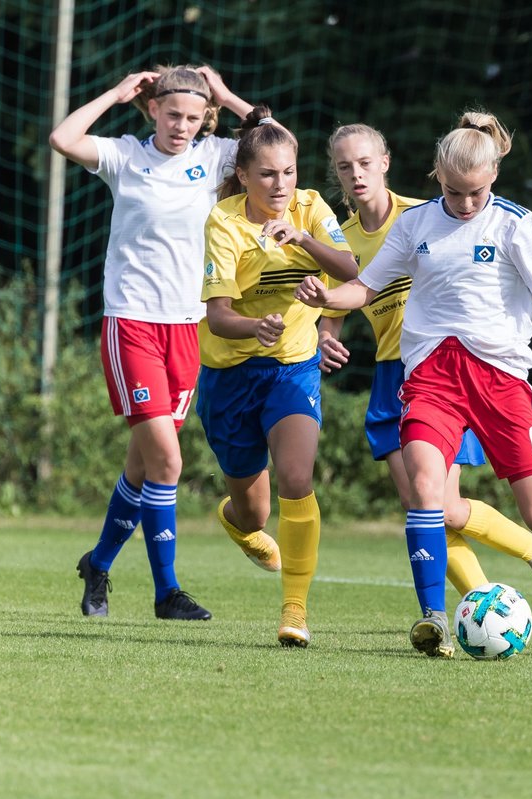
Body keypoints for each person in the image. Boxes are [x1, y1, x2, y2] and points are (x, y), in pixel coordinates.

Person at [296, 110, 532, 657]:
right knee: (426, 492)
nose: (465, 204)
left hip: (503, 382)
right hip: (432, 380)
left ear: (494, 176)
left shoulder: (514, 224)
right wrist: (324, 301)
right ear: (437, 175)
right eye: (455, 192)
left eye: (476, 192)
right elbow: (362, 288)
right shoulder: (415, 225)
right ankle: (432, 617)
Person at [316, 123, 532, 620]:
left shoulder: (429, 213)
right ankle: (504, 585)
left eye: (365, 162)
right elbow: (343, 306)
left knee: (436, 503)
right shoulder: (340, 241)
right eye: (345, 167)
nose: (356, 174)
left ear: (386, 162)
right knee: (425, 504)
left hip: (449, 374)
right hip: (394, 377)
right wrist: (327, 331)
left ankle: (501, 590)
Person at [48, 64, 253, 620]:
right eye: (172, 114)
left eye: (193, 117)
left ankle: (99, 565)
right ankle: (167, 593)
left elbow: (277, 145)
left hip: (187, 329)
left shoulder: (213, 157)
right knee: (167, 460)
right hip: (131, 325)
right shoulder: (124, 155)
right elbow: (62, 139)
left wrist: (228, 95)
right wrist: (116, 93)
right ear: (153, 110)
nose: (182, 126)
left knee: (142, 468)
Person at [197, 106, 359, 647]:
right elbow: (217, 314)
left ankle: (294, 611)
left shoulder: (311, 208)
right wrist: (254, 326)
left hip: (293, 365)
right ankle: (237, 520)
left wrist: (303, 241)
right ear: (243, 176)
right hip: (230, 373)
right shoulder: (224, 221)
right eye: (267, 174)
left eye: (288, 172)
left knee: (295, 478)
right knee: (254, 511)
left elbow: (350, 270)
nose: (280, 184)